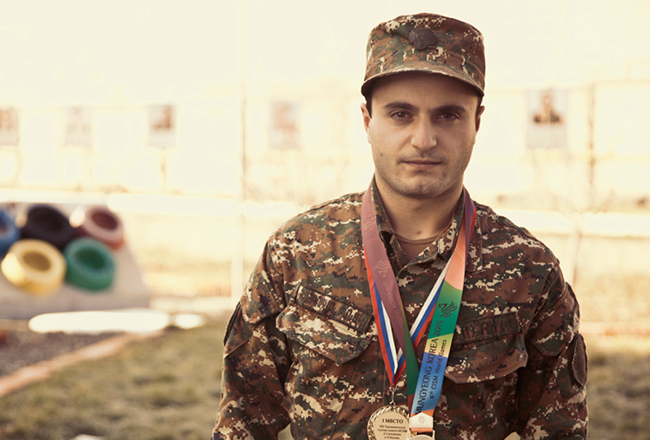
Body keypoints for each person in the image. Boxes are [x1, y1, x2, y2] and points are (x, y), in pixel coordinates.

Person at [213, 12, 587, 440]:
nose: (423, 139)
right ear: (367, 121)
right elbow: (242, 422)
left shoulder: (530, 270)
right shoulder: (295, 252)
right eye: (401, 114)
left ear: (477, 124)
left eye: (448, 116)